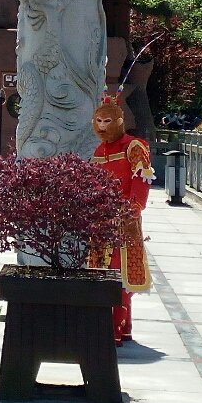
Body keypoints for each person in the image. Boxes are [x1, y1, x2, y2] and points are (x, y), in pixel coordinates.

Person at [89, 93, 153, 345]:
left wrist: (132, 209)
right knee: (102, 271)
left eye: (107, 121)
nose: (102, 127)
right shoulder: (99, 150)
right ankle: (120, 327)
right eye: (98, 121)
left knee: (120, 272)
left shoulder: (133, 146)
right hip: (100, 221)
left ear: (118, 121)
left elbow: (142, 179)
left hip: (124, 219)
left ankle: (115, 328)